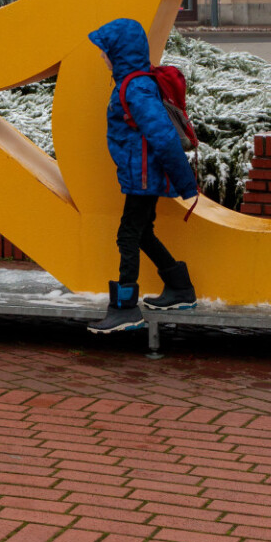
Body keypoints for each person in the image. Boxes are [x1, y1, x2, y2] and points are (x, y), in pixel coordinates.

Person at [87, 18, 200, 333]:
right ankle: (180, 289)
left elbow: (162, 135)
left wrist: (186, 183)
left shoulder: (135, 86)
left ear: (119, 51)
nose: (101, 56)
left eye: (105, 50)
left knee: (128, 234)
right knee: (143, 231)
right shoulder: (132, 81)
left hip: (144, 175)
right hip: (140, 173)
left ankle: (125, 309)